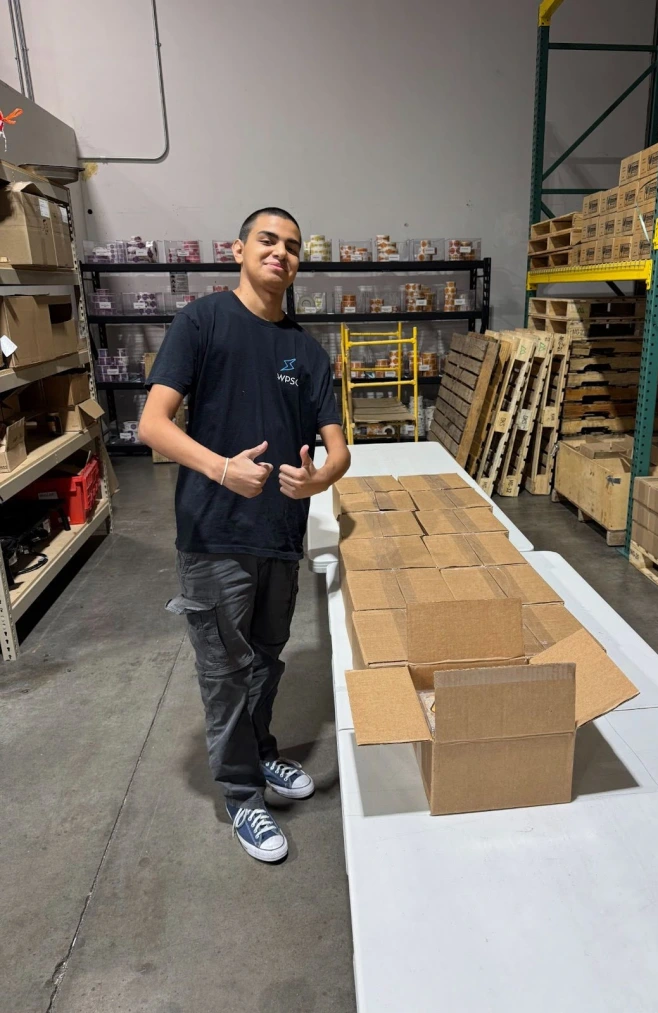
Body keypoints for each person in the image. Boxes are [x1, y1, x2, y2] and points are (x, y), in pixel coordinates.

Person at [138, 208, 350, 863]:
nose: (280, 253)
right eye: (268, 240)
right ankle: (241, 796)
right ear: (239, 249)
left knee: (266, 659)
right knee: (224, 673)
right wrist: (221, 468)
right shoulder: (201, 322)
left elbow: (339, 449)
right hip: (213, 534)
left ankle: (259, 754)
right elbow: (153, 423)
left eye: (291, 246)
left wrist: (318, 481)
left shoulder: (308, 352)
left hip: (279, 536)